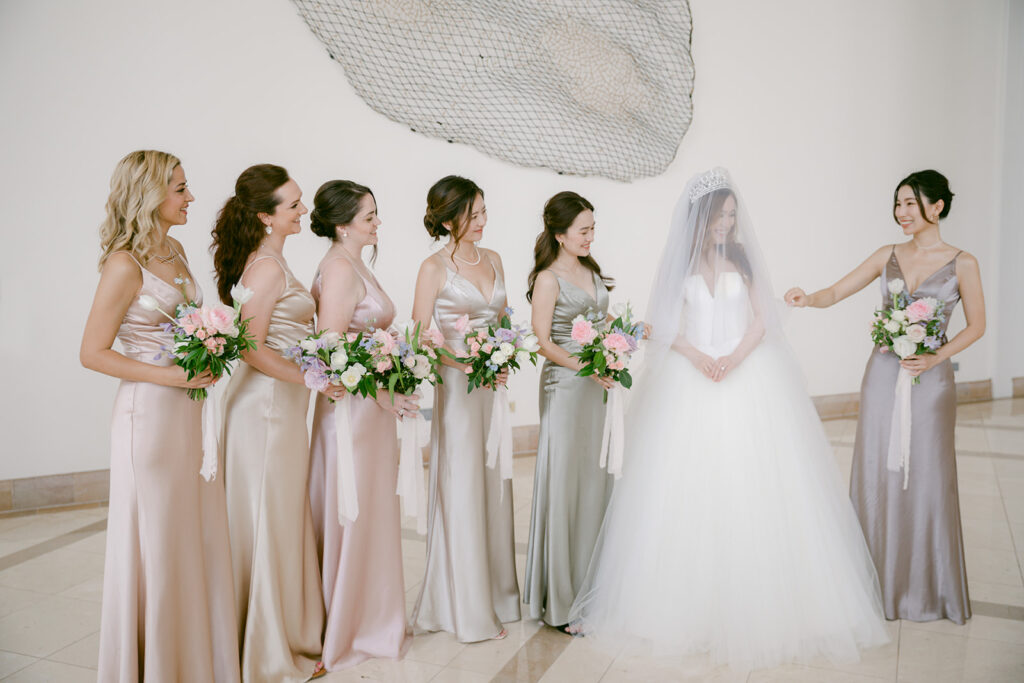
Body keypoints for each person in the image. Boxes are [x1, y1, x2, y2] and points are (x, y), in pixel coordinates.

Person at [570, 168, 889, 669]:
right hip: (691, 371)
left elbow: (764, 318)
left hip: (747, 369)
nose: (726, 224)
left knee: (757, 482)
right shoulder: (680, 263)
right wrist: (699, 357)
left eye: (732, 216)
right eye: (719, 216)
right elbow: (663, 324)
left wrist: (734, 358)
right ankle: (679, 607)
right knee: (685, 487)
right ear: (702, 217)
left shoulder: (742, 260)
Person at [784, 169, 985, 624]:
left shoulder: (963, 263)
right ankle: (872, 584)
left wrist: (935, 358)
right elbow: (837, 291)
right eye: (898, 204)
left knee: (928, 473)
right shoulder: (887, 254)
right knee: (877, 467)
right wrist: (807, 298)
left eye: (911, 203)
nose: (901, 212)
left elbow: (977, 326)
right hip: (881, 374)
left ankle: (928, 589)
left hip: (930, 381)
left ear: (937, 206)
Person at [81, 150, 239, 682]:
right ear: (150, 195)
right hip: (148, 417)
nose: (190, 196)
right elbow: (92, 352)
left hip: (189, 413)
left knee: (190, 532)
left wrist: (210, 349)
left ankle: (192, 660)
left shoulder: (175, 249)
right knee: (157, 535)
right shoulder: (124, 265)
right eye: (180, 188)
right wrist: (172, 377)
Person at [212, 164, 327, 681]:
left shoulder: (274, 260)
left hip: (278, 406)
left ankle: (281, 630)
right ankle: (265, 651)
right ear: (265, 216)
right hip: (264, 409)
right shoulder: (265, 268)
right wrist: (311, 378)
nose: (303, 210)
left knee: (277, 516)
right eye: (294, 204)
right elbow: (251, 348)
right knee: (266, 517)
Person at [307, 180, 414, 668]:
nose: (377, 223)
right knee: (354, 509)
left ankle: (372, 614)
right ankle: (354, 624)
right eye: (368, 217)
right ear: (341, 225)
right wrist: (383, 387)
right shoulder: (338, 268)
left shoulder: (354, 263)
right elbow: (330, 349)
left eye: (375, 214)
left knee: (371, 508)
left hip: (369, 409)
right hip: (351, 411)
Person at [409, 175, 521, 642]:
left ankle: (499, 595)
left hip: (491, 388)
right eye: (472, 215)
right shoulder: (433, 267)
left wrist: (504, 354)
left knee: (493, 483)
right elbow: (419, 336)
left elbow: (504, 318)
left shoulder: (494, 258)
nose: (481, 221)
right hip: (457, 389)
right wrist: (465, 362)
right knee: (463, 484)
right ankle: (465, 609)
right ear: (447, 219)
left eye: (483, 211)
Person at [523, 191, 616, 632]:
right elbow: (542, 341)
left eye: (593, 228)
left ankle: (594, 589)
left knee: (595, 481)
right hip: (565, 388)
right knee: (566, 481)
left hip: (597, 388)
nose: (590, 236)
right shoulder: (548, 279)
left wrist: (626, 334)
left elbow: (602, 321)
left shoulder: (590, 270)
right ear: (560, 234)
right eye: (583, 230)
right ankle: (563, 600)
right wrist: (587, 367)